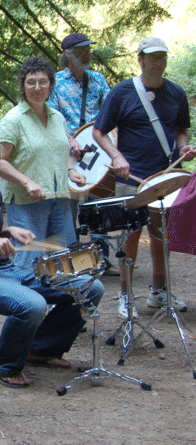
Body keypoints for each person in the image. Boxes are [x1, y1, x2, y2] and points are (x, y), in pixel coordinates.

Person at [0, 133, 104, 387]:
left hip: (9, 270)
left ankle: (43, 348)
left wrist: (6, 232)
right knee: (34, 305)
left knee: (90, 287)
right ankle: (3, 364)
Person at [93, 37, 196, 317]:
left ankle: (159, 293)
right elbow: (99, 132)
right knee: (130, 236)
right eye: (152, 57)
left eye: (162, 57)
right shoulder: (122, 92)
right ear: (140, 59)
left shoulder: (176, 93)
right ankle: (125, 296)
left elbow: (181, 130)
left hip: (166, 178)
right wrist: (116, 156)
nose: (158, 62)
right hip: (132, 178)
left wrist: (183, 148)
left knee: (162, 236)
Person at [0, 56, 86, 271]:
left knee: (63, 260)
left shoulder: (57, 118)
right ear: (23, 86)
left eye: (43, 82)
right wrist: (27, 182)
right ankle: (28, 304)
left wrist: (71, 171)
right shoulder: (13, 119)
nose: (37, 88)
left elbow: (60, 150)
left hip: (60, 199)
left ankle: (60, 304)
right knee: (29, 263)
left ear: (51, 86)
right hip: (26, 203)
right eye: (31, 82)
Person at [47, 33, 117, 275]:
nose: (87, 54)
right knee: (69, 208)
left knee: (100, 206)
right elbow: (52, 120)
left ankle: (101, 259)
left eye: (88, 49)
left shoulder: (97, 80)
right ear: (68, 54)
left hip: (97, 151)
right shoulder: (55, 83)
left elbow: (110, 113)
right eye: (81, 50)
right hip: (66, 154)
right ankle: (74, 261)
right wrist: (70, 140)